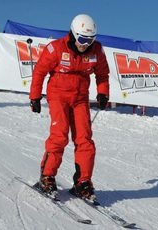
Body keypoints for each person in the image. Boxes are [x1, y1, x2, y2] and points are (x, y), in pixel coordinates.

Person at [29, 14, 109, 200]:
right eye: (82, 39)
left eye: (90, 40)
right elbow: (39, 72)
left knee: (84, 139)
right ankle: (47, 177)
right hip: (58, 95)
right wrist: (35, 97)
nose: (85, 44)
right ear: (73, 34)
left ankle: (83, 182)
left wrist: (103, 92)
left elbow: (103, 74)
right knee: (60, 135)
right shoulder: (56, 48)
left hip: (80, 98)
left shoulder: (96, 51)